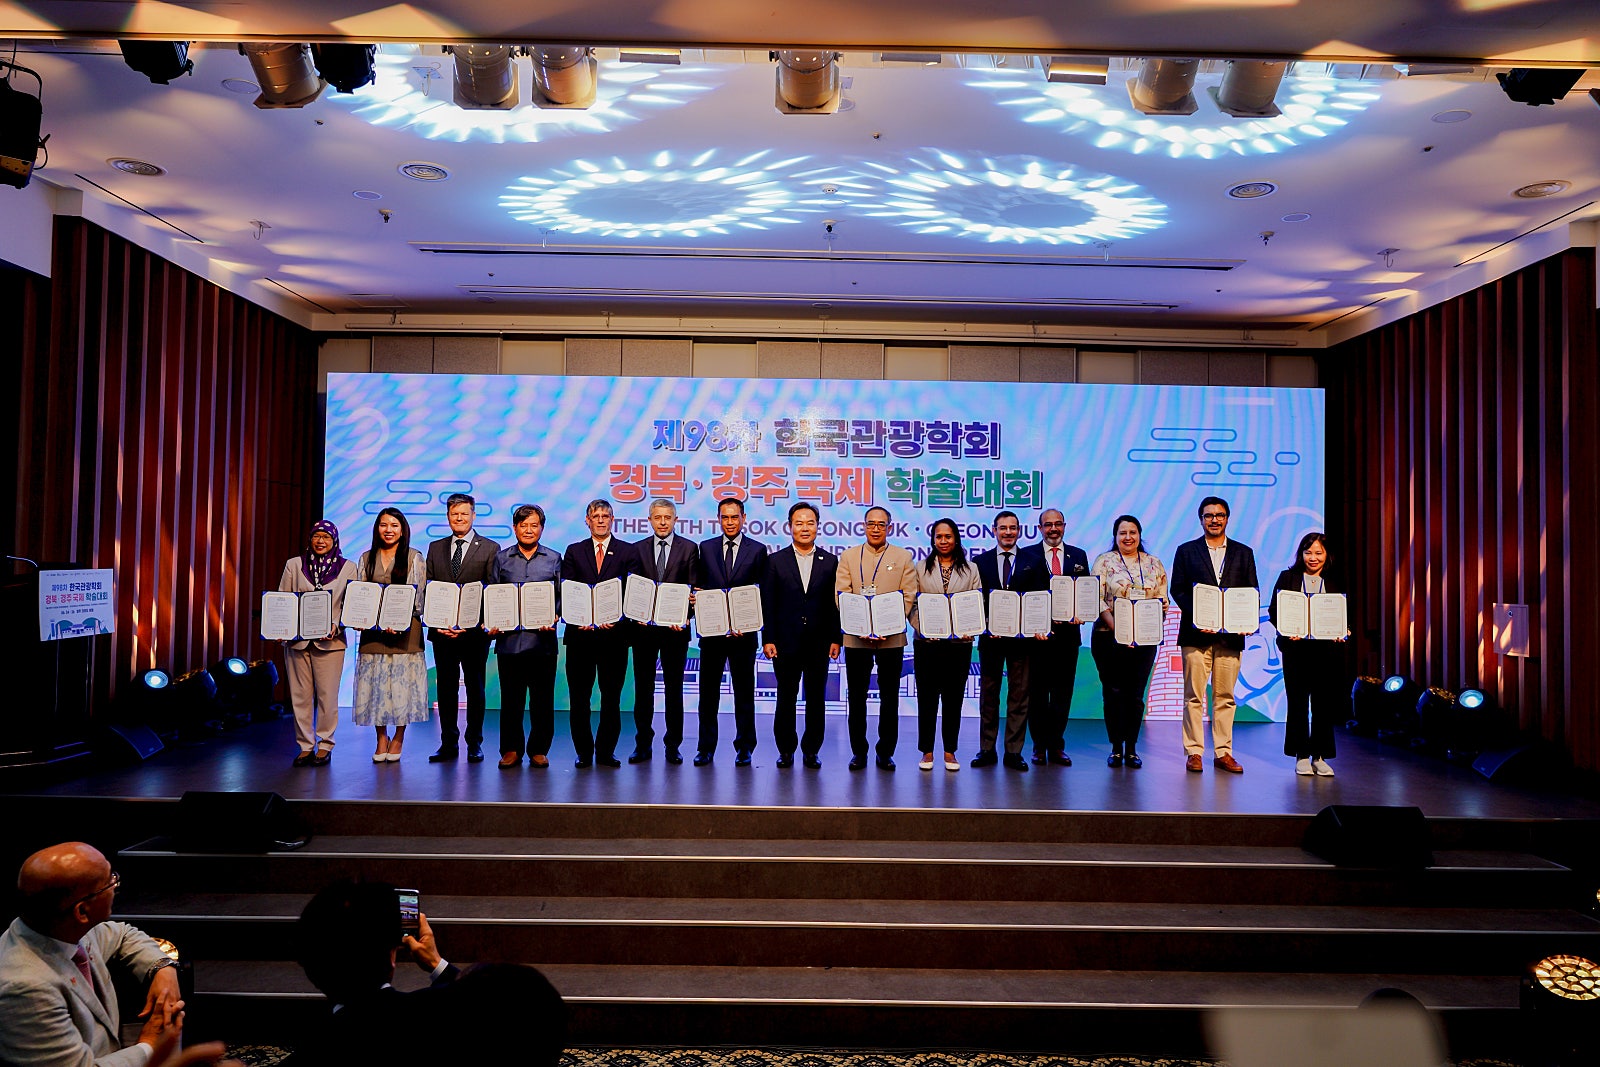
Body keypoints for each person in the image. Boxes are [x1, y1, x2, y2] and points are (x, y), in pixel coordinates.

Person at [0, 842, 183, 1067]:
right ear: (82, 911)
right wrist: (150, 1045)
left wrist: (163, 968)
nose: (115, 886)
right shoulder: (26, 990)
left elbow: (123, 934)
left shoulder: (59, 928)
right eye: (109, 882)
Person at [292, 879, 458, 1066]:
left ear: (310, 969)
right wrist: (436, 963)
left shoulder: (307, 1055)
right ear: (390, 958)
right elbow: (480, 996)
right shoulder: (436, 1015)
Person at [1170, 495, 1260, 774]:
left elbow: (1251, 591)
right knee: (1193, 696)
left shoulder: (1243, 552)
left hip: (1230, 637)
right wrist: (1200, 617)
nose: (1214, 520)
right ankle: (1194, 752)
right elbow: (1177, 589)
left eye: (1219, 515)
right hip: (1196, 635)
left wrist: (1246, 620)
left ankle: (1223, 752)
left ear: (1227, 518)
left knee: (1225, 696)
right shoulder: (1186, 551)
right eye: (1208, 515)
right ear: (1201, 520)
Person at [833, 505, 917, 771]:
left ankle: (885, 752)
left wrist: (889, 624)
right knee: (857, 696)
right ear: (864, 526)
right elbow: (841, 594)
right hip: (856, 638)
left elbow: (908, 595)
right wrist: (857, 624)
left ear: (889, 527)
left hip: (891, 638)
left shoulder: (903, 557)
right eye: (871, 524)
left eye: (882, 524)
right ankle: (859, 751)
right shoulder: (848, 556)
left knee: (889, 696)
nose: (876, 529)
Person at [761, 501, 842, 768]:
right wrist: (768, 638)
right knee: (786, 696)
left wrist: (836, 638)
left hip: (819, 642)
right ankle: (785, 750)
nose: (805, 528)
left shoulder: (830, 561)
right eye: (799, 523)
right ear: (790, 527)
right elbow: (768, 603)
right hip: (785, 642)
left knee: (816, 698)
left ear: (818, 527)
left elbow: (834, 605)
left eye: (810, 523)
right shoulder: (775, 561)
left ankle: (811, 750)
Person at [425, 493, 501, 764]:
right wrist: (437, 622)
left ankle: (474, 743)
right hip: (442, 632)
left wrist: (473, 624)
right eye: (454, 514)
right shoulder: (435, 547)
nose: (459, 518)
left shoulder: (490, 548)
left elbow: (492, 590)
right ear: (448, 517)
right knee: (446, 689)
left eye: (464, 513)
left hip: (474, 634)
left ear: (473, 516)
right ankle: (448, 743)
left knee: (475, 688)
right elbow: (429, 588)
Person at [693, 497, 769, 766]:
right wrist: (696, 597)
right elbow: (700, 586)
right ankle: (705, 748)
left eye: (734, 517)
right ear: (718, 519)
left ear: (743, 518)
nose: (730, 522)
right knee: (708, 695)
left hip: (743, 637)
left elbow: (762, 594)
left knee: (744, 694)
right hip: (712, 635)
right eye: (725, 517)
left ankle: (745, 747)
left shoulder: (758, 550)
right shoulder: (706, 548)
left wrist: (748, 622)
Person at [1089, 514, 1168, 768]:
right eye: (1122, 533)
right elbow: (1096, 598)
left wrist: (1150, 621)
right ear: (1115, 536)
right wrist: (1120, 629)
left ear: (1139, 535)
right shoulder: (1104, 561)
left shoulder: (1154, 563)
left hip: (1144, 640)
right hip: (1108, 637)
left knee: (1135, 695)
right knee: (1113, 693)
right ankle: (1115, 748)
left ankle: (1132, 748)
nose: (1128, 537)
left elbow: (1163, 601)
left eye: (1132, 532)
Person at [277, 520, 358, 767]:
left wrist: (336, 625)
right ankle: (305, 746)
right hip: (297, 642)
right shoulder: (294, 565)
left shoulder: (348, 567)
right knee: (299, 697)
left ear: (335, 541)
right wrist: (280, 627)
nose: (321, 541)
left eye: (326, 537)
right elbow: (283, 600)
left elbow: (351, 605)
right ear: (310, 539)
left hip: (330, 643)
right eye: (316, 536)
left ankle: (325, 744)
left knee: (327, 697)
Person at [561, 498, 634, 768]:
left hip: (614, 638)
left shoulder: (627, 551)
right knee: (579, 698)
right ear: (587, 521)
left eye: (605, 516)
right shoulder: (574, 551)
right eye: (596, 516)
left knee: (611, 698)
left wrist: (617, 616)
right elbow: (567, 589)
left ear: (612, 520)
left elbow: (633, 593)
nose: (601, 520)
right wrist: (576, 616)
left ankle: (605, 752)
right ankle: (583, 751)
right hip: (580, 638)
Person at [488, 504, 561, 769]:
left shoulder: (554, 558)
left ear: (542, 528)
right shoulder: (502, 558)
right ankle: (511, 749)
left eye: (534, 525)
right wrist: (491, 621)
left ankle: (539, 749)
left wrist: (555, 615)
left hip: (543, 642)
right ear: (515, 527)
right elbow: (492, 593)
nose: (528, 530)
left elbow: (561, 597)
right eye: (523, 525)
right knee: (511, 700)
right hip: (509, 642)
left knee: (542, 700)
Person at [628, 498, 700, 765]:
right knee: (643, 690)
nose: (662, 522)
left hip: (674, 631)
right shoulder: (637, 549)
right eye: (657, 517)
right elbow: (632, 589)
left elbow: (693, 589)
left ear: (675, 520)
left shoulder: (689, 548)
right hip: (643, 631)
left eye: (667, 518)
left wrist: (685, 615)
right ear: (649, 520)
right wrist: (636, 613)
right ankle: (643, 744)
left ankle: (673, 745)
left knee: (674, 689)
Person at [1269, 532, 1348, 777]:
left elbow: (1344, 611)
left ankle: (1320, 756)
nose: (1313, 558)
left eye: (1318, 553)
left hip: (1326, 651)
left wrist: (1343, 630)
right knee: (1298, 703)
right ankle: (1301, 755)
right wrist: (1286, 628)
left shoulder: (1335, 579)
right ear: (1301, 554)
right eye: (1308, 552)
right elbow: (1274, 610)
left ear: (1327, 555)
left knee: (1324, 704)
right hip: (1296, 650)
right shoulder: (1288, 577)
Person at [354, 507, 429, 762]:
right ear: (377, 528)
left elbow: (418, 599)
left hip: (405, 633)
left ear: (403, 529)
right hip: (373, 634)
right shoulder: (366, 558)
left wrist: (398, 620)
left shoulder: (414, 557)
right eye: (384, 525)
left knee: (401, 688)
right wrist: (360, 618)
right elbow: (360, 596)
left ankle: (398, 737)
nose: (389, 530)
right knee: (375, 688)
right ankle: (380, 738)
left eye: (394, 525)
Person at [971, 510, 1044, 771]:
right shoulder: (980, 562)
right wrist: (983, 625)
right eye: (1003, 528)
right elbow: (975, 600)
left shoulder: (1033, 561)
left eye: (1013, 528)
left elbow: (1041, 599)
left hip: (1022, 642)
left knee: (1019, 696)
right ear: (994, 531)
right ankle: (986, 749)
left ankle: (1014, 752)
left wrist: (1038, 626)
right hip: (991, 639)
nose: (1008, 533)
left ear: (1019, 531)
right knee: (989, 696)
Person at [1017, 508, 1090, 766]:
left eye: (1058, 524)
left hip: (1068, 638)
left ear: (1065, 526)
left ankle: (1056, 745)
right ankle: (1039, 746)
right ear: (1040, 528)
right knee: (1037, 693)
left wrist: (1082, 611)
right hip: (1037, 637)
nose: (1053, 529)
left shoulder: (1078, 555)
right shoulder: (1027, 554)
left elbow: (1085, 592)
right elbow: (1021, 594)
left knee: (1062, 693)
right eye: (1048, 525)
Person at [909, 518, 981, 771]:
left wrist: (971, 629)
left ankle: (950, 751)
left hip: (959, 645)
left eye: (948, 536)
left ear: (956, 539)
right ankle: (926, 751)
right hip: (927, 644)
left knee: (953, 699)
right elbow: (911, 604)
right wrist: (923, 628)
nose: (943, 541)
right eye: (939, 537)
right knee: (927, 699)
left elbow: (977, 602)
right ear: (933, 540)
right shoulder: (920, 568)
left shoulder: (971, 569)